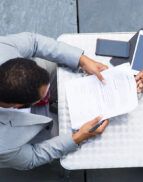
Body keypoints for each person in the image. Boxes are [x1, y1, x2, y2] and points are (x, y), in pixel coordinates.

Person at [0, 32, 109, 170]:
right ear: (18, 106)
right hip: (26, 130)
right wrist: (77, 137)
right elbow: (33, 157)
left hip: (31, 84)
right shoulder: (3, 145)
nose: (49, 92)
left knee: (60, 68)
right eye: (44, 95)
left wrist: (82, 60)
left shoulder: (2, 48)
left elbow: (34, 42)